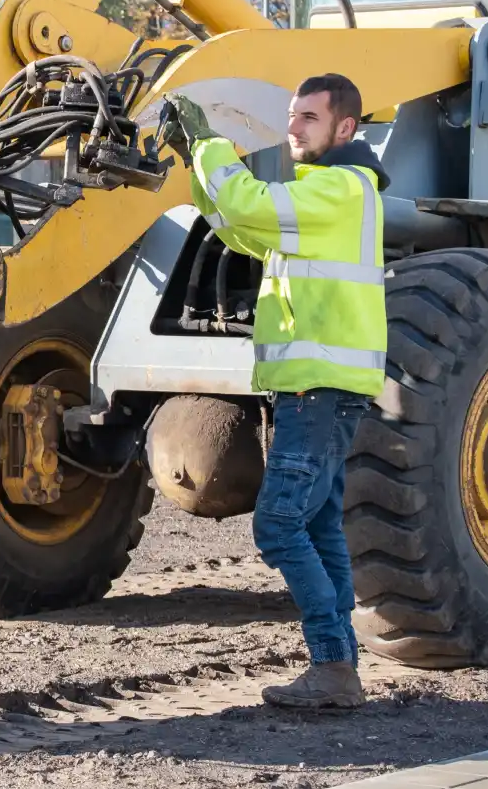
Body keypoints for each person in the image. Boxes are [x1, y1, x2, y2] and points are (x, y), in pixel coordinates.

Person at [158, 75, 388, 710]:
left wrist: (209, 146)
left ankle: (333, 665)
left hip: (318, 389)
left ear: (345, 129)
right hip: (315, 389)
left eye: (309, 118)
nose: (293, 128)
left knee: (279, 524)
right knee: (318, 529)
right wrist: (197, 169)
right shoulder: (326, 194)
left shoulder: (341, 188)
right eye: (292, 116)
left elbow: (254, 206)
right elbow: (242, 229)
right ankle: (341, 669)